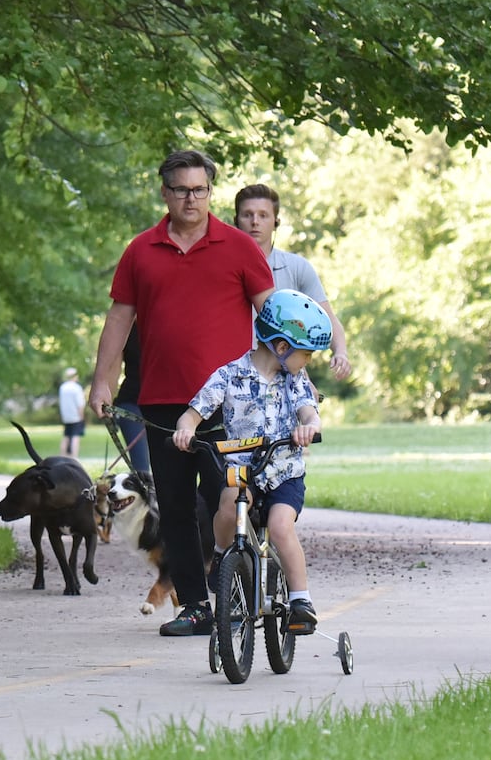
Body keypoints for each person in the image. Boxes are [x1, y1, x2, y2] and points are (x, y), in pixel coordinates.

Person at [88, 149, 274, 637]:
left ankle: (242, 588)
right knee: (173, 506)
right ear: (164, 192)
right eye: (182, 190)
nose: (192, 199)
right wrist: (102, 380)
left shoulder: (238, 247)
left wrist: (286, 377)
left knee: (225, 499)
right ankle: (194, 605)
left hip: (228, 404)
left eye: (200, 190)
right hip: (162, 400)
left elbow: (272, 315)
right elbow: (119, 318)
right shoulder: (140, 251)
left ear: (210, 191)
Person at [171, 290, 329, 633]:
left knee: (280, 526)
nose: (308, 363)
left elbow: (308, 411)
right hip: (243, 470)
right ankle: (224, 557)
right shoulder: (228, 375)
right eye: (307, 355)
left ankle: (301, 599)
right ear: (282, 347)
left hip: (285, 471)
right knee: (228, 507)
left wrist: (310, 427)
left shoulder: (295, 380)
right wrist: (186, 430)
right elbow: (193, 413)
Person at [233, 183, 351, 380]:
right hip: (235, 376)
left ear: (276, 221)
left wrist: (340, 352)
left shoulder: (297, 267)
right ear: (236, 220)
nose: (255, 222)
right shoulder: (223, 267)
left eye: (263, 215)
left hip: (286, 375)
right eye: (247, 215)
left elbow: (327, 317)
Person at [112, 326, 151, 474]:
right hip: (131, 401)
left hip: (163, 402)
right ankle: (143, 494)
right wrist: (106, 398)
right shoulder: (125, 327)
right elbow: (113, 366)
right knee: (140, 466)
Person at [57, 367, 86, 459]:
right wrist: (81, 416)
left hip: (66, 416)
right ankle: (74, 457)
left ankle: (63, 455)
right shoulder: (76, 388)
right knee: (75, 436)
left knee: (66, 436)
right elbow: (80, 404)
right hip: (75, 416)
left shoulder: (63, 387)